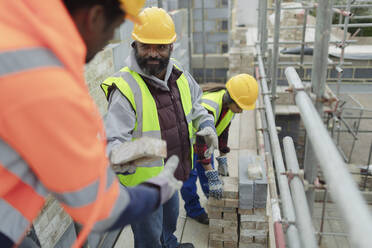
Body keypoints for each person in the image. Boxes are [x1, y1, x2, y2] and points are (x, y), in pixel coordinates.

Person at [0, 1, 183, 247]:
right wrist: (156, 192)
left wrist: (112, 156)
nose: (108, 40)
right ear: (95, 16)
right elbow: (102, 210)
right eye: (114, 29)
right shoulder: (46, 80)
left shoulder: (16, 25)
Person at [101, 7, 219, 248]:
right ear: (134, 45)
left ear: (171, 48)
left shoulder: (179, 73)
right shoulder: (125, 89)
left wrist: (205, 124)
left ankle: (170, 243)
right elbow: (111, 145)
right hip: (143, 189)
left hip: (172, 176)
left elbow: (197, 103)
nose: (153, 54)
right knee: (148, 239)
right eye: (146, 47)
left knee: (169, 224)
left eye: (160, 47)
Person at [180, 74, 259, 225]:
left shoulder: (229, 106)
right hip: (187, 143)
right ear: (232, 99)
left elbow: (224, 130)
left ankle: (212, 198)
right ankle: (193, 210)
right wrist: (211, 172)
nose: (241, 111)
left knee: (209, 172)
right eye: (240, 107)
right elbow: (200, 143)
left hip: (203, 143)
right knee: (189, 178)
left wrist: (223, 156)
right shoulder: (210, 107)